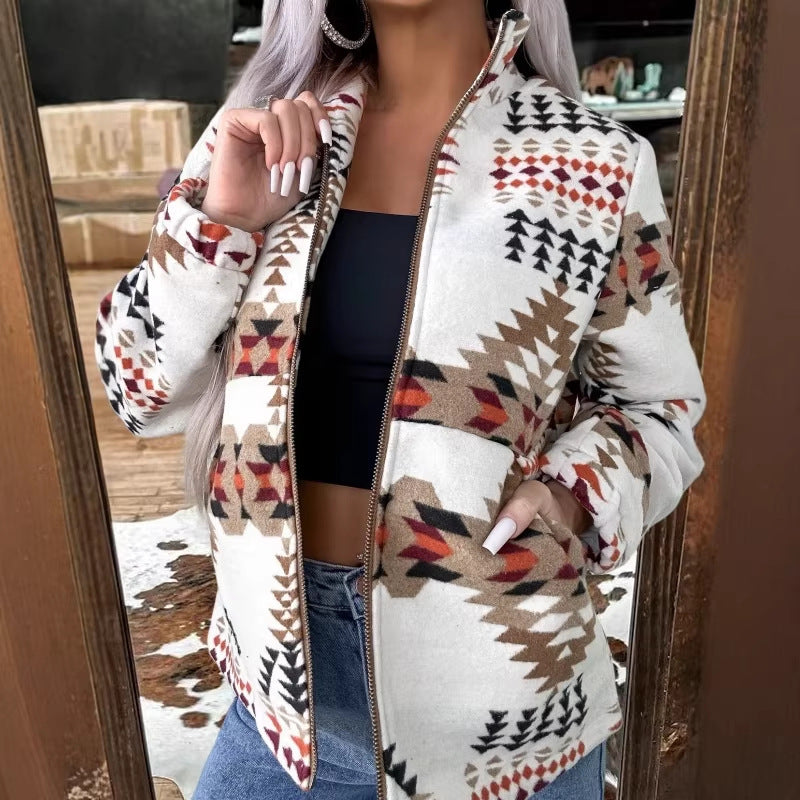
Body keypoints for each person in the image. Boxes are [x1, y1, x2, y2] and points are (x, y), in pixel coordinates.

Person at [94, 1, 707, 798]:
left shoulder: (597, 164)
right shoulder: (264, 139)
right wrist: (223, 226)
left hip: (503, 712)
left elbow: (662, 409)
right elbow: (138, 391)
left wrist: (571, 495)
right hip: (281, 701)